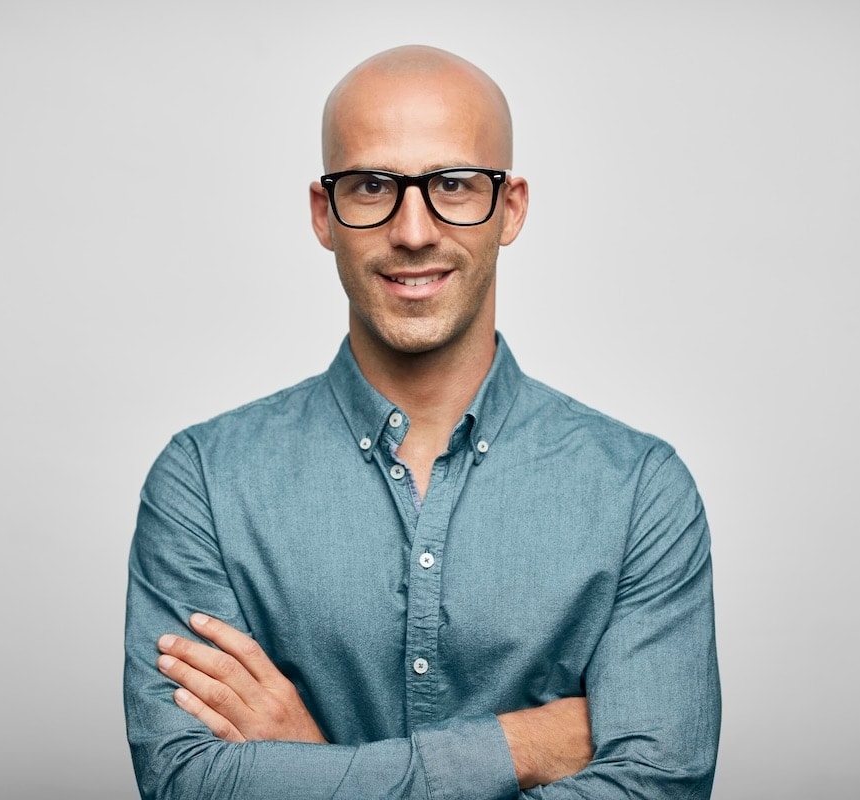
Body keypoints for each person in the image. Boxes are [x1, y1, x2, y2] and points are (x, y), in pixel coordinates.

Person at [124, 44, 720, 799]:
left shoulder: (640, 491)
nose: (413, 230)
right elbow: (187, 784)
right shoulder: (204, 481)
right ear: (323, 214)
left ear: (511, 207)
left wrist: (314, 769)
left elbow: (656, 791)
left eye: (455, 185)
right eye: (372, 185)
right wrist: (519, 745)